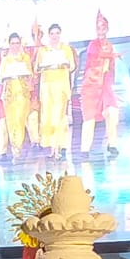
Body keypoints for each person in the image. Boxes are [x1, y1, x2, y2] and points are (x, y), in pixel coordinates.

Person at [0, 32, 36, 161]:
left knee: (21, 121)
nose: (15, 46)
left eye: (17, 43)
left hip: (23, 95)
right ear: (9, 44)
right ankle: (6, 151)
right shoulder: (4, 59)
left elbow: (31, 76)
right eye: (13, 43)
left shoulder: (25, 58)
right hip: (8, 95)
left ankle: (19, 150)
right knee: (6, 123)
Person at [78, 11, 121, 158]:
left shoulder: (110, 46)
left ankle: (112, 144)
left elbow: (111, 68)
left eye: (103, 28)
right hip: (91, 86)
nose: (101, 31)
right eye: (98, 28)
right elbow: (97, 55)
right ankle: (85, 150)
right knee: (89, 119)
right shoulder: (92, 45)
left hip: (105, 87)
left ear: (107, 29)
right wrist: (113, 55)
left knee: (113, 113)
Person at [34, 22, 77, 159]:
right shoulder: (43, 50)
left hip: (61, 86)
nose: (55, 36)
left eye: (57, 33)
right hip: (47, 87)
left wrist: (62, 63)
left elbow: (72, 66)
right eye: (52, 34)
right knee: (48, 118)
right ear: (49, 35)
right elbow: (37, 68)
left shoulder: (66, 49)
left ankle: (59, 147)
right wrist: (47, 65)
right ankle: (52, 148)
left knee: (59, 117)